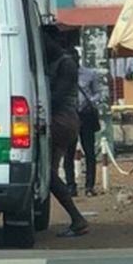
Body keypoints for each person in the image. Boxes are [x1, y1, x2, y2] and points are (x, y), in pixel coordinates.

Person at [44, 27, 90, 237]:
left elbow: (56, 98)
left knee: (49, 174)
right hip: (62, 121)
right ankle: (76, 218)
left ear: (56, 40)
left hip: (61, 121)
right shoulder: (57, 62)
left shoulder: (66, 64)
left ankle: (77, 218)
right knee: (49, 173)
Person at [63, 48, 103, 197]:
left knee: (89, 152)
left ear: (78, 59)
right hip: (71, 116)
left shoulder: (90, 74)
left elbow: (98, 93)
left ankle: (89, 186)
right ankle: (70, 186)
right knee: (69, 153)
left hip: (86, 116)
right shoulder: (62, 75)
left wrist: (90, 101)